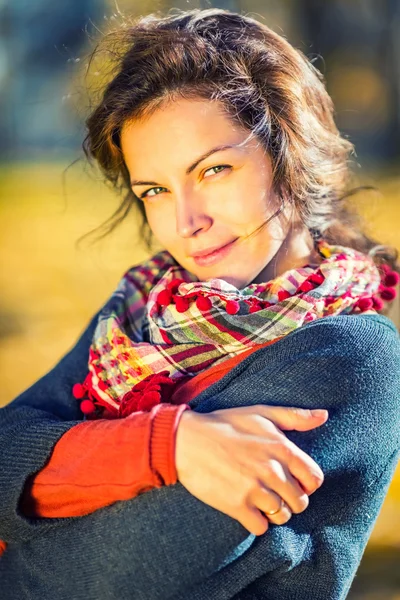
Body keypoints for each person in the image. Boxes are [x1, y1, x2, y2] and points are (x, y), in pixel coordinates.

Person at [0, 8, 399, 600]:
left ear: (289, 153)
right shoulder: (143, 315)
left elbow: (89, 579)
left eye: (213, 170)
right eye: (155, 190)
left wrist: (59, 474)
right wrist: (170, 445)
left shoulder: (351, 354)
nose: (187, 222)